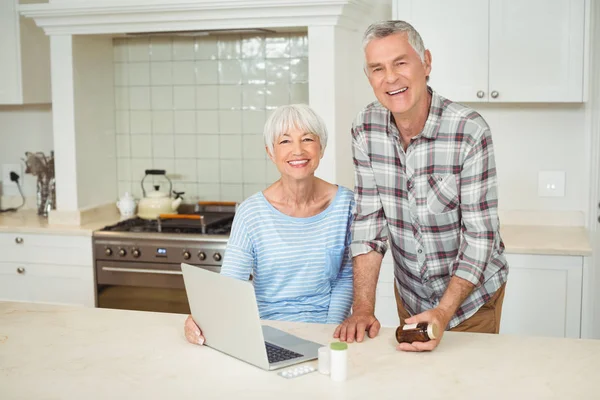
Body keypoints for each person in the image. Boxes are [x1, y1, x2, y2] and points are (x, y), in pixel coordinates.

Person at [334, 20, 508, 351]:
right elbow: (369, 225)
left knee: (468, 385)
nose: (390, 78)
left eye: (400, 62)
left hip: (472, 301)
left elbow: (480, 237)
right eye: (377, 68)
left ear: (425, 62)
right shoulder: (364, 129)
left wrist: (443, 312)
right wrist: (363, 309)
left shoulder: (468, 131)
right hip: (411, 297)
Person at [185, 104, 355, 345]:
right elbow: (231, 284)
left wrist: (327, 334)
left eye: (307, 139)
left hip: (330, 332)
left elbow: (346, 276)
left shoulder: (345, 204)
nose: (298, 150)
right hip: (266, 332)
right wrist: (201, 318)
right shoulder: (251, 213)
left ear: (321, 147)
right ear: (270, 152)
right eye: (285, 141)